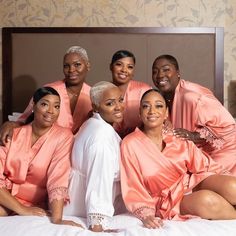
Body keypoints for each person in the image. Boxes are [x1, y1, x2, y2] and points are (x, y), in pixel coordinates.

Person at [120, 88, 236, 229]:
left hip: (190, 182)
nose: (152, 111)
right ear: (140, 113)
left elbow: (203, 164)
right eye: (146, 106)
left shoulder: (175, 137)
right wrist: (146, 214)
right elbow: (133, 186)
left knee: (232, 187)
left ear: (166, 113)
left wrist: (222, 179)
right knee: (207, 200)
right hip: (168, 200)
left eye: (158, 105)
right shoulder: (130, 144)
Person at [0, 87, 81, 227]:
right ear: (33, 106)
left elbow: (58, 178)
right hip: (5, 198)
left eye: (56, 106)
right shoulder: (14, 134)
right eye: (44, 104)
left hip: (33, 202)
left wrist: (57, 219)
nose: (51, 111)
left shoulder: (63, 137)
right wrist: (22, 210)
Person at [152, 54, 236, 174]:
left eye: (166, 69)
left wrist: (193, 136)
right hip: (197, 154)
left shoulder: (192, 97)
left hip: (222, 151)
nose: (160, 75)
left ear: (178, 73)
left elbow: (228, 127)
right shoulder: (164, 97)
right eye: (155, 71)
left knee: (211, 185)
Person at [64, 81, 125, 232]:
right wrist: (97, 224)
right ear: (96, 107)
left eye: (120, 100)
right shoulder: (102, 137)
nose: (118, 107)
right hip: (83, 207)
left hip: (76, 199)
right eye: (110, 103)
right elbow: (99, 179)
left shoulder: (91, 123)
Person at [0, 46, 92, 145]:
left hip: (79, 150)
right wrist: (10, 124)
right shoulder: (50, 90)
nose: (71, 70)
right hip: (47, 147)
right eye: (66, 66)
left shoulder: (93, 96)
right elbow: (25, 118)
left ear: (88, 66)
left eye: (77, 64)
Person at [110, 50, 151, 138]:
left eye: (130, 67)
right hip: (110, 143)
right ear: (111, 67)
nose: (124, 70)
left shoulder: (144, 90)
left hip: (138, 143)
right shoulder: (103, 92)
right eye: (119, 64)